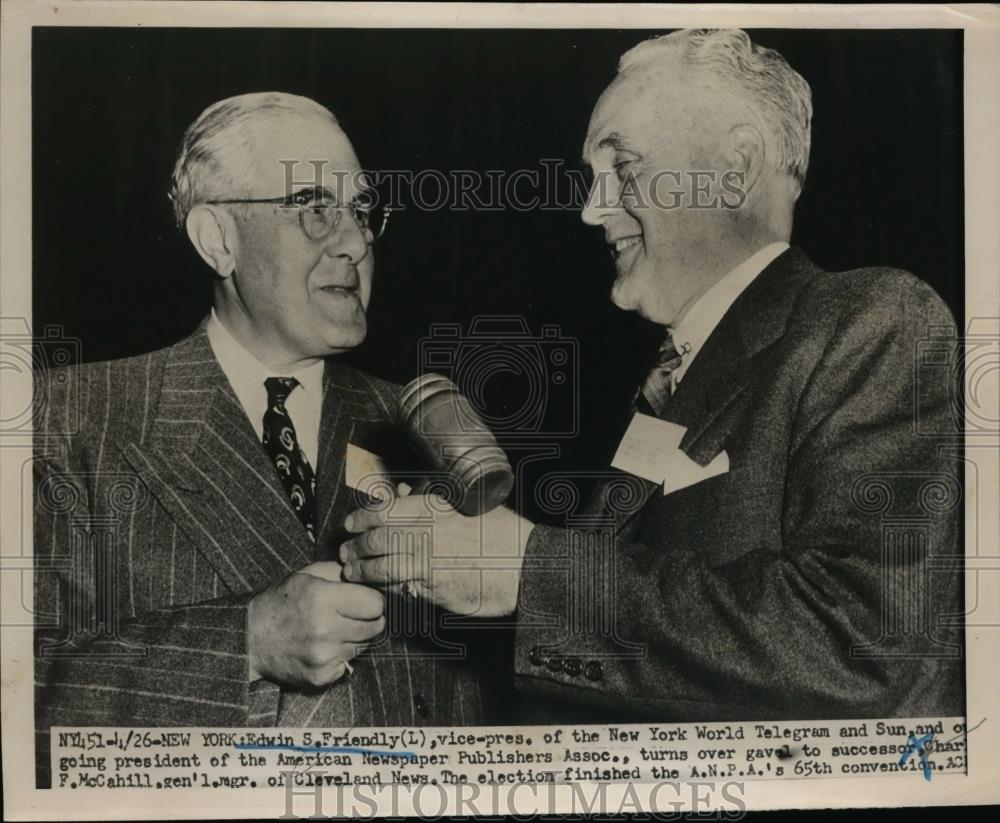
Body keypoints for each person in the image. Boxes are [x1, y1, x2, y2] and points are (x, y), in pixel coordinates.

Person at [342, 30, 964, 722]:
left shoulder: (875, 320)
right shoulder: (667, 379)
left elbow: (866, 649)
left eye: (623, 168)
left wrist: (524, 567)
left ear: (735, 168)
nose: (590, 209)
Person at [33, 92, 484, 786]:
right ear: (218, 239)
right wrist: (245, 642)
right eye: (314, 206)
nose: (357, 241)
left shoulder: (420, 426)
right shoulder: (67, 417)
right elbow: (22, 690)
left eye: (363, 212)